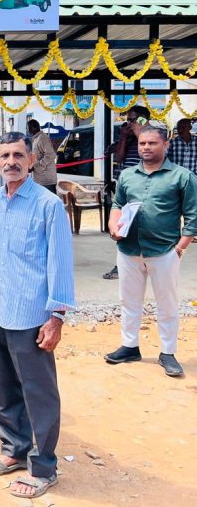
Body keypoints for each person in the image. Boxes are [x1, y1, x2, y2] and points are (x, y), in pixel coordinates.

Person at [0, 132, 76, 500]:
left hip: (31, 315)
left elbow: (60, 263)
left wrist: (56, 316)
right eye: (4, 155)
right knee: (3, 388)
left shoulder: (47, 205)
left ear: (31, 160)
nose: (10, 162)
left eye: (18, 155)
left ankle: (44, 466)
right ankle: (13, 449)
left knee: (38, 392)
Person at [105, 125, 197, 378]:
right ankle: (129, 346)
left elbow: (193, 216)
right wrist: (114, 226)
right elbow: (118, 204)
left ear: (165, 145)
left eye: (152, 143)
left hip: (164, 250)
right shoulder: (127, 175)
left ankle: (168, 352)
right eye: (142, 143)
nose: (146, 147)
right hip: (128, 249)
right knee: (129, 301)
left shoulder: (183, 177)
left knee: (166, 303)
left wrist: (180, 248)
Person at [103, 105, 151, 280]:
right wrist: (123, 137)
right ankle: (122, 265)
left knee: (144, 225)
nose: (129, 123)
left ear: (142, 120)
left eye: (133, 120)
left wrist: (139, 131)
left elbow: (147, 154)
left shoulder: (153, 135)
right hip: (125, 187)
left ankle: (147, 262)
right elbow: (119, 158)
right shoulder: (127, 137)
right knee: (124, 226)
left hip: (145, 186)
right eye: (128, 120)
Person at [26, 120, 57, 194]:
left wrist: (37, 167)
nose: (27, 130)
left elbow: (50, 155)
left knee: (49, 204)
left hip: (46, 181)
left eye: (27, 128)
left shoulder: (42, 138)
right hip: (39, 179)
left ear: (31, 128)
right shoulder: (36, 139)